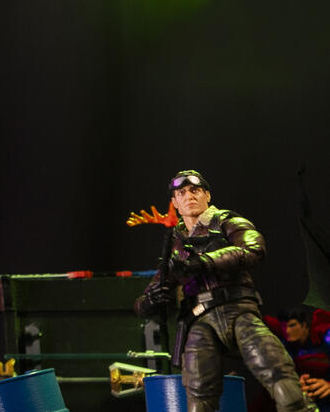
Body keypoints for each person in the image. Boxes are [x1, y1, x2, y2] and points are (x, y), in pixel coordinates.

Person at [135, 170, 317, 411]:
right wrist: (151, 301)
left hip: (238, 310)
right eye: (182, 193)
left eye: (195, 190)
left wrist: (204, 262)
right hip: (200, 320)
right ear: (175, 202)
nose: (189, 196)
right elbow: (150, 293)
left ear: (207, 195)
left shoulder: (225, 221)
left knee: (277, 373)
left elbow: (254, 248)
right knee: (199, 395)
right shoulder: (176, 242)